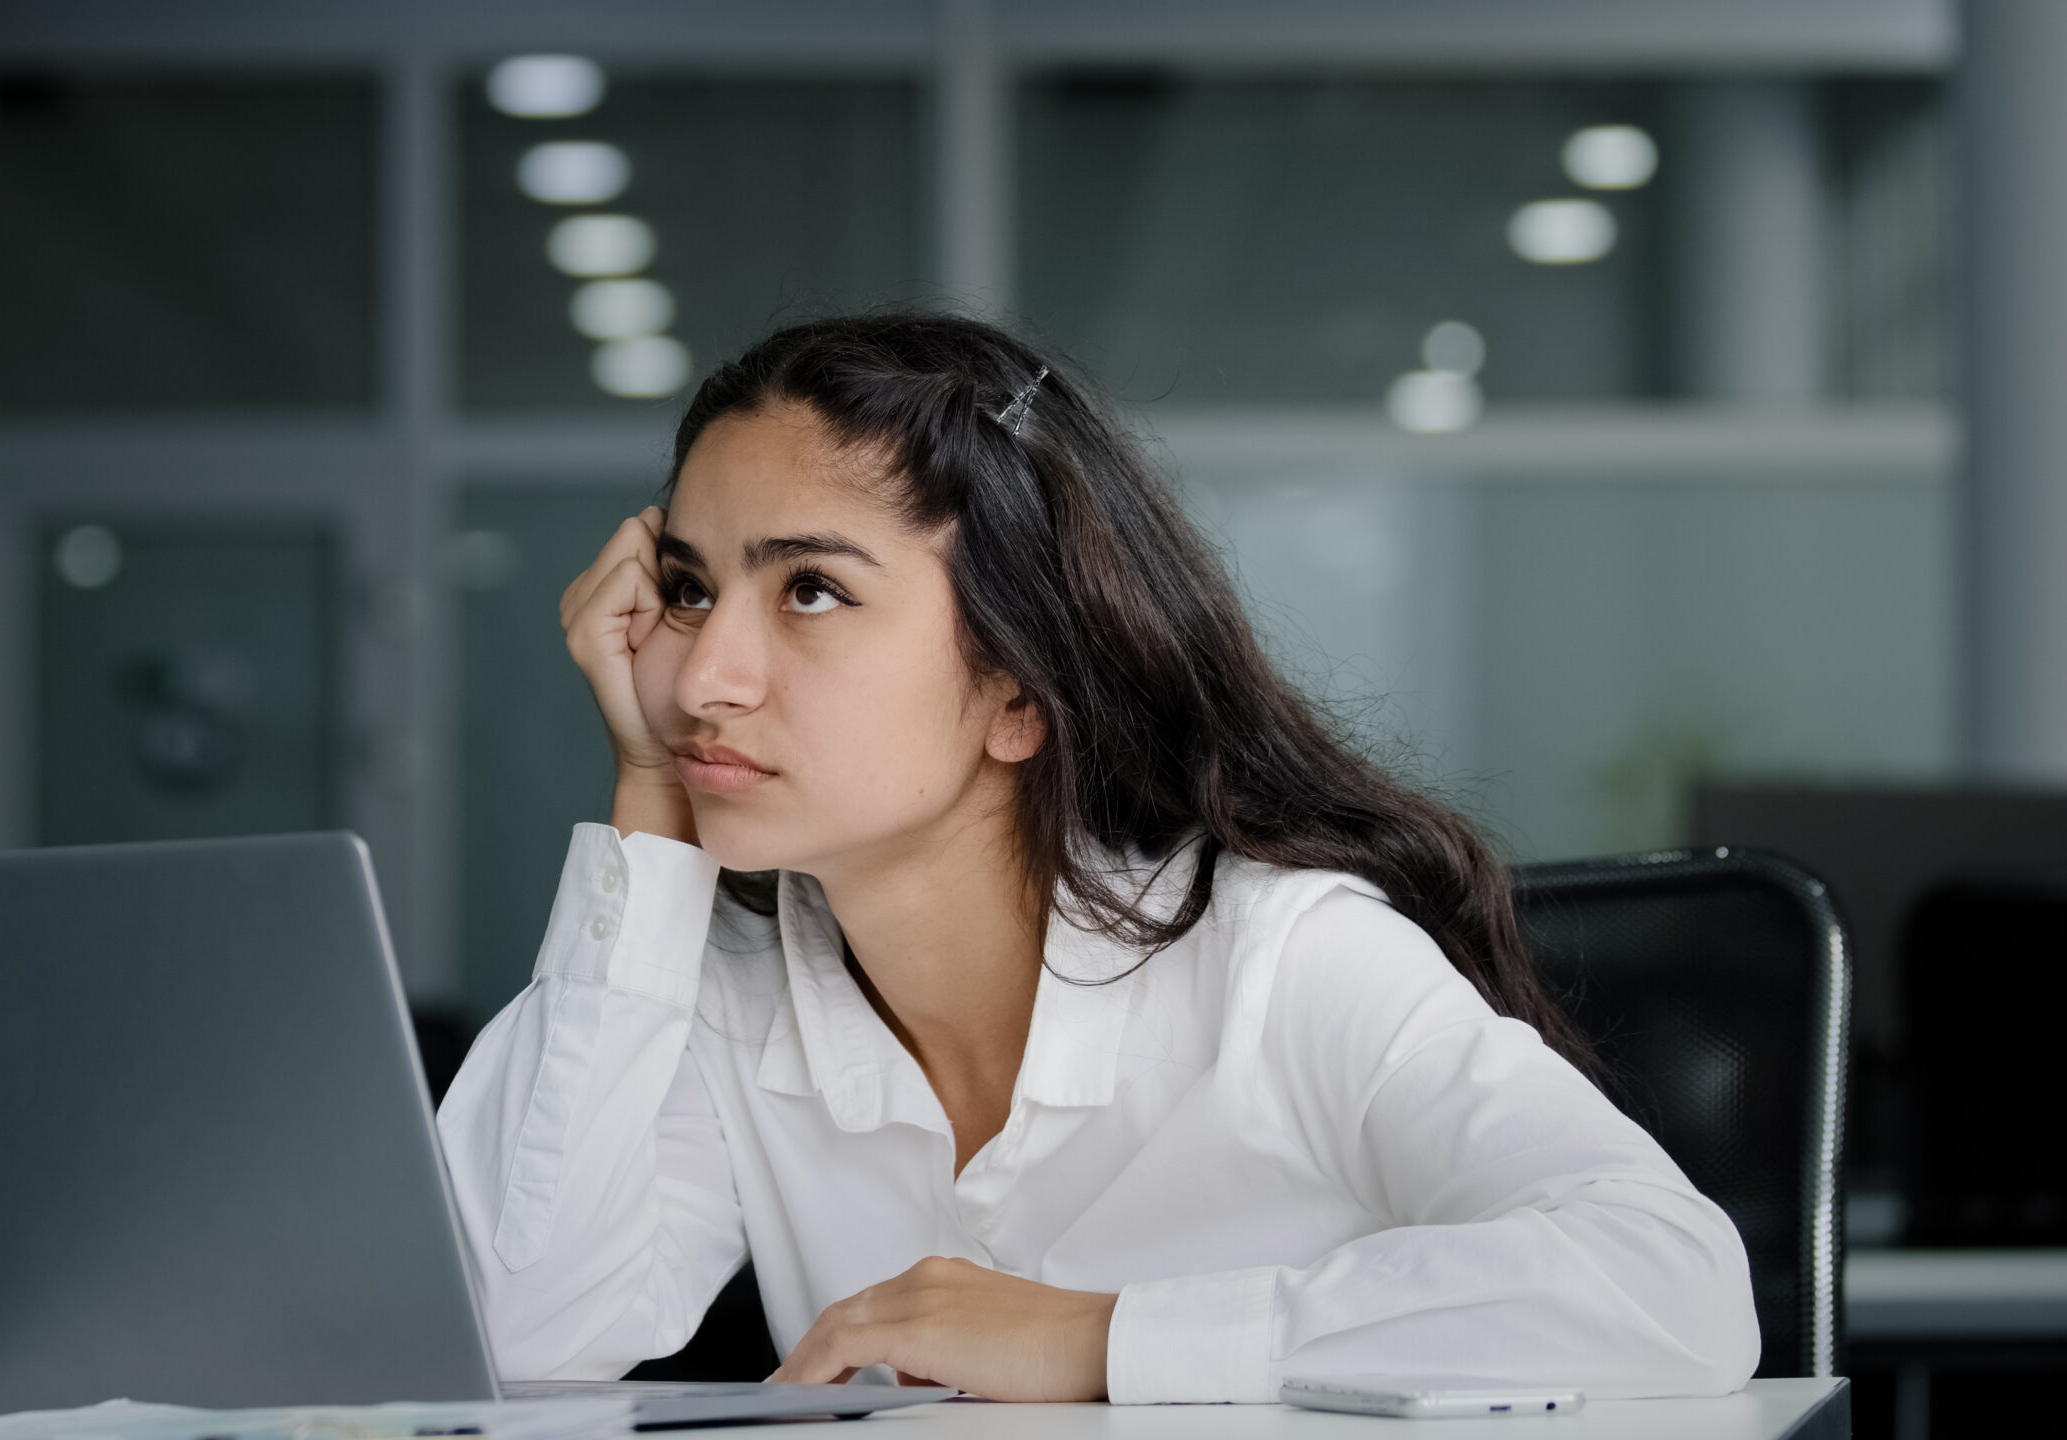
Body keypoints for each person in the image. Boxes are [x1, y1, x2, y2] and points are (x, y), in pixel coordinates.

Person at [435, 315, 1759, 1403]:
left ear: (1020, 690)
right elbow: (504, 1333)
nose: (707, 675)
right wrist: (652, 795)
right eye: (687, 588)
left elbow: (1674, 1287)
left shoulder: (1280, 960)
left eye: (813, 591)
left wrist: (1095, 1341)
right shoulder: (729, 992)